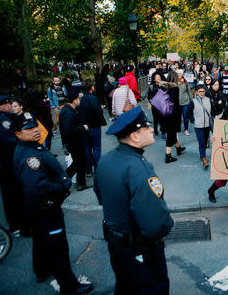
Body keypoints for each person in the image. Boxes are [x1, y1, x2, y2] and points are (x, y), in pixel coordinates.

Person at [94, 106, 174, 294]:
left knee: (125, 284)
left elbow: (101, 196)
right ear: (135, 136)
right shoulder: (138, 168)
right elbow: (155, 222)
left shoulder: (106, 160)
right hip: (138, 246)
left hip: (116, 242)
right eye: (147, 127)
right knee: (153, 286)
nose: (152, 129)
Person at [12, 113, 93, 294]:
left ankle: (41, 270)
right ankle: (69, 286)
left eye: (35, 127)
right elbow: (38, 187)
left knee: (41, 240)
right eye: (28, 129)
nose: (34, 131)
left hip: (37, 209)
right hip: (46, 208)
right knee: (58, 248)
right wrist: (62, 185)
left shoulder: (30, 147)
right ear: (17, 134)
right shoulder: (29, 156)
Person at [0, 95, 29, 236]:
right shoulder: (2, 120)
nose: (11, 106)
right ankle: (21, 226)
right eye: (9, 104)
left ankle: (14, 225)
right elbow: (10, 141)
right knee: (15, 194)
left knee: (7, 194)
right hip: (6, 163)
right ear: (3, 106)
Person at [59, 90, 90, 191]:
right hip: (75, 143)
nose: (80, 100)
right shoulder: (68, 113)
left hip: (74, 142)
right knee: (79, 163)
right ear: (74, 100)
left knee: (78, 163)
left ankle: (64, 180)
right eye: (78, 98)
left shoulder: (69, 110)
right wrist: (83, 128)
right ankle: (78, 183)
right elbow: (69, 130)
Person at [78, 79, 107, 176]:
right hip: (94, 125)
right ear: (91, 87)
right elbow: (98, 112)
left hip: (84, 126)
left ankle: (88, 170)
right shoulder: (93, 98)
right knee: (96, 148)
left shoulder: (80, 99)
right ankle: (97, 168)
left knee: (87, 148)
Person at [159, 72, 186, 163]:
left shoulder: (163, 87)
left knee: (173, 134)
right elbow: (174, 102)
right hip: (173, 115)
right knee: (171, 135)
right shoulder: (175, 88)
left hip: (164, 113)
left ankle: (178, 148)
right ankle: (168, 156)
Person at [188, 85, 212, 168]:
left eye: (203, 91)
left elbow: (213, 110)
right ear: (197, 92)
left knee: (205, 141)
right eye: (200, 91)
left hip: (207, 125)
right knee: (201, 141)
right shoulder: (193, 101)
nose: (202, 93)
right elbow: (189, 113)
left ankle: (202, 155)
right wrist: (193, 121)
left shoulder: (208, 100)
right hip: (198, 126)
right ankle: (204, 158)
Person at [148, 71, 165, 136]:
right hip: (155, 106)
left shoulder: (163, 86)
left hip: (162, 106)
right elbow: (149, 96)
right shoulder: (152, 86)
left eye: (159, 77)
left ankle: (163, 133)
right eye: (156, 77)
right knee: (155, 119)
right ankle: (155, 130)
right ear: (154, 79)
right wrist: (152, 102)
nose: (158, 78)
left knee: (163, 119)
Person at [177, 72, 193, 136]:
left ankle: (186, 129)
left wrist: (192, 101)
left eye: (181, 75)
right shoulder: (175, 83)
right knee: (178, 116)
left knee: (185, 116)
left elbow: (189, 93)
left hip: (186, 102)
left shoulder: (186, 84)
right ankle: (178, 127)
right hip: (178, 103)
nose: (180, 77)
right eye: (178, 76)